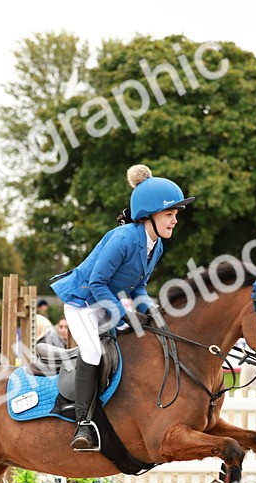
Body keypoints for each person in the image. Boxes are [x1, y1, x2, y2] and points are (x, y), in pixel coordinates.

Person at [50, 163, 193, 450]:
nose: (174, 220)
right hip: (82, 302)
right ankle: (83, 424)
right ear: (149, 216)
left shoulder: (157, 245)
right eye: (169, 214)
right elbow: (96, 282)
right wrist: (124, 315)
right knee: (92, 350)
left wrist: (150, 310)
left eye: (175, 214)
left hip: (105, 301)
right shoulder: (123, 238)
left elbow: (138, 287)